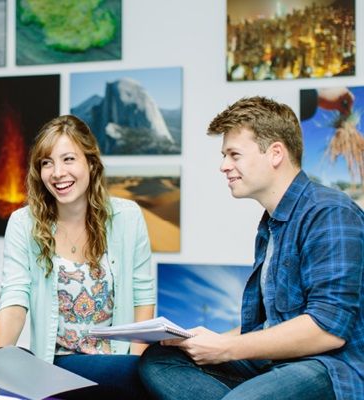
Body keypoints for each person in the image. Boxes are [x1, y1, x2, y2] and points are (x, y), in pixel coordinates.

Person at [139, 96, 363, 400]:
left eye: (234, 154)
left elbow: (327, 329)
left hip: (328, 367)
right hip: (276, 364)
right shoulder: (271, 224)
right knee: (160, 358)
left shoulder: (330, 212)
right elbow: (267, 326)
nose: (223, 166)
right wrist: (204, 341)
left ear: (275, 154)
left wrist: (226, 348)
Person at [0, 115, 155, 399]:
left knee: (168, 365)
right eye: (47, 162)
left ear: (90, 163)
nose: (57, 173)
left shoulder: (127, 217)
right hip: (57, 363)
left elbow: (143, 297)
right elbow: (14, 300)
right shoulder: (23, 223)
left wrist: (136, 365)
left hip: (119, 363)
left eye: (68, 159)